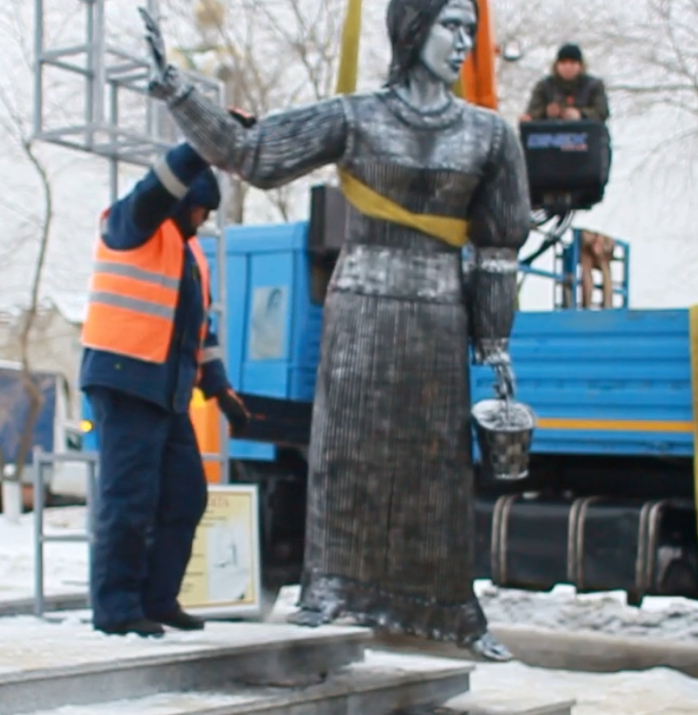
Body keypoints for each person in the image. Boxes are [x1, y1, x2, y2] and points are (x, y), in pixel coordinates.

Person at [139, 0, 531, 661]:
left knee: (435, 468)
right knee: (347, 458)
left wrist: (494, 342)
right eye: (450, 25)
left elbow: (498, 250)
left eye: (471, 27)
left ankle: (447, 608)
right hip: (357, 314)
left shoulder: (490, 135)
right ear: (412, 29)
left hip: (439, 313)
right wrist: (174, 86)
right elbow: (252, 152)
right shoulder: (356, 116)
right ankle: (330, 591)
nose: (464, 41)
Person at [80, 141, 251, 638]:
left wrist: (221, 393)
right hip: (125, 380)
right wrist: (203, 148)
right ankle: (117, 609)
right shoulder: (133, 224)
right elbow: (159, 186)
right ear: (180, 202)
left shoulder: (192, 255)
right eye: (198, 207)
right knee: (129, 500)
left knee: (186, 497)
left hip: (168, 392)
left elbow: (200, 334)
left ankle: (158, 599)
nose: (201, 217)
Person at [520, 43, 609, 123]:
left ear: (580, 66)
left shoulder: (594, 85)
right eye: (563, 63)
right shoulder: (544, 86)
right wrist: (546, 112)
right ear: (556, 65)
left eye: (572, 63)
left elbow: (602, 112)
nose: (568, 67)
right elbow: (531, 113)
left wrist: (581, 114)